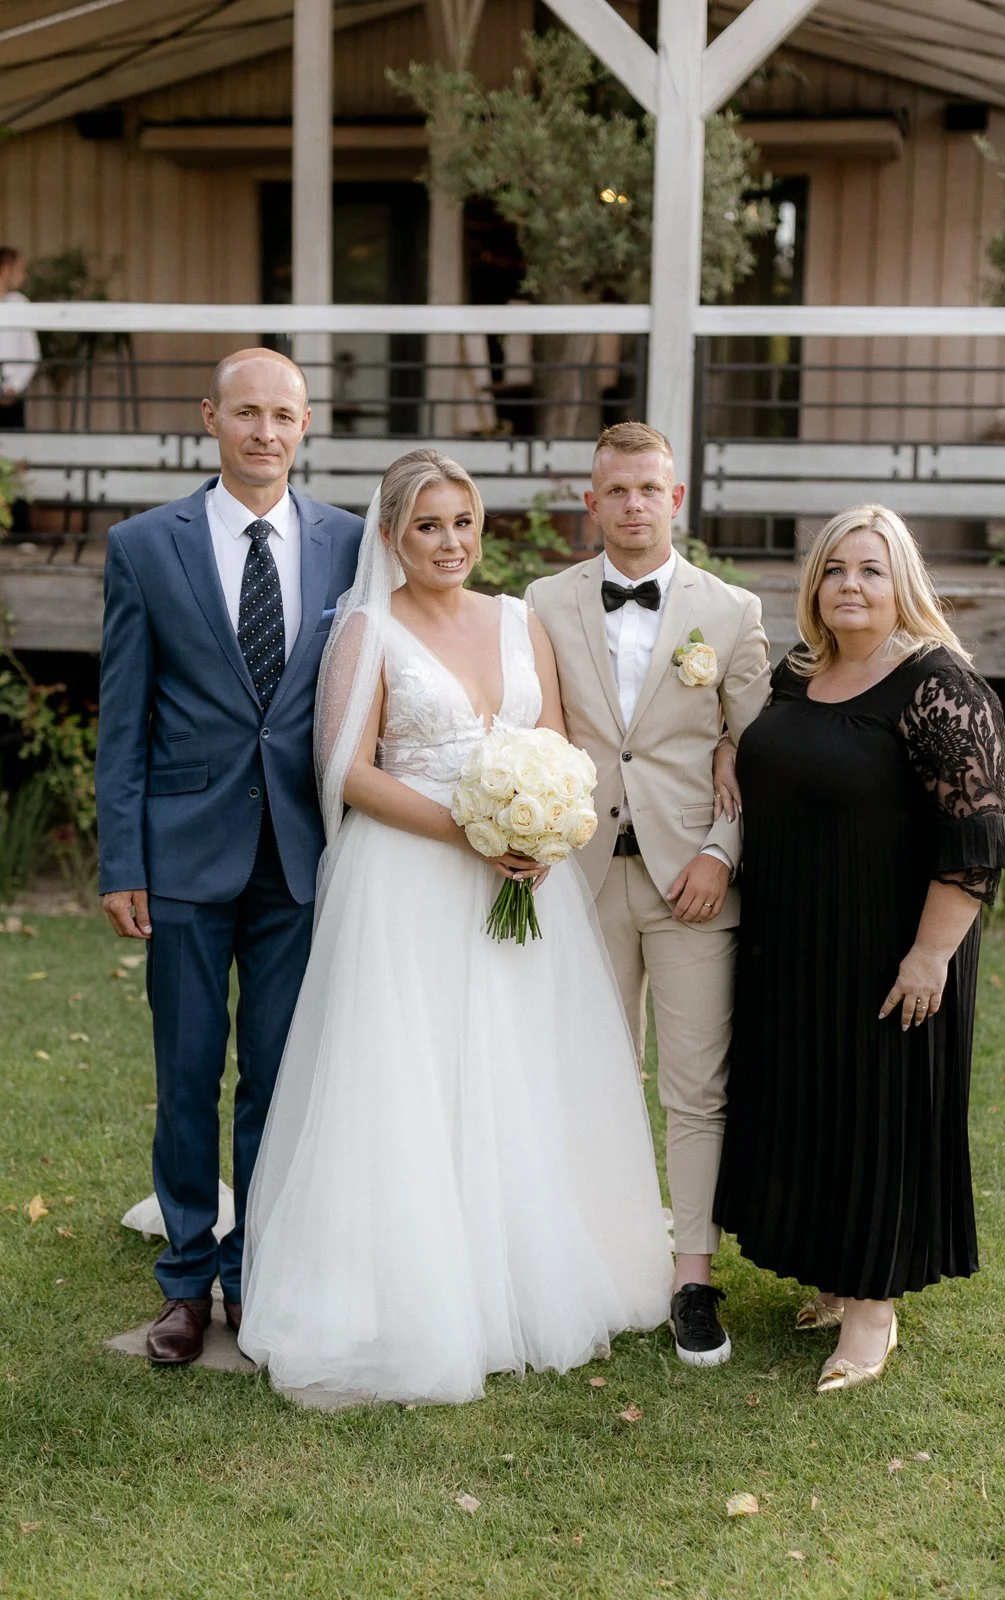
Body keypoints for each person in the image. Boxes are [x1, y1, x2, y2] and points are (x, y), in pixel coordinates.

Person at [239, 448, 672, 1407]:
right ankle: (417, 1288)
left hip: (523, 883)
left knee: (515, 1067)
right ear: (392, 536)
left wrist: (546, 828)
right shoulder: (366, 628)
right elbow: (345, 770)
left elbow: (556, 742)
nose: (449, 543)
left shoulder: (520, 620)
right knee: (415, 1074)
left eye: (463, 523)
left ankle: (522, 1271)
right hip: (407, 882)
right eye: (427, 526)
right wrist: (472, 831)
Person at [96, 348, 363, 1366]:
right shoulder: (143, 546)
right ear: (210, 417)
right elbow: (124, 715)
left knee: (277, 1078)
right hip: (181, 854)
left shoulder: (350, 542)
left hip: (301, 852)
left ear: (306, 425)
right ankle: (184, 1280)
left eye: (282, 416)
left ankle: (254, 1272)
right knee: (186, 1071)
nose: (264, 432)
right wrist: (122, 859)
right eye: (246, 412)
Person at [713, 504, 1005, 1392]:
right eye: (835, 570)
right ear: (814, 587)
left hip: (891, 946)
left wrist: (929, 956)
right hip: (793, 942)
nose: (850, 585)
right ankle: (833, 1276)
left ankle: (872, 1310)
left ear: (901, 584)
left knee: (879, 1115)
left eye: (870, 570)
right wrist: (731, 751)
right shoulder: (800, 671)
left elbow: (974, 838)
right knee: (811, 1107)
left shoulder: (938, 686)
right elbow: (778, 755)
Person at [526, 422, 771, 1368]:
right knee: (593, 1072)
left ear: (675, 500)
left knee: (695, 1087)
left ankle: (691, 1276)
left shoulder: (731, 611)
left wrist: (720, 852)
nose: (633, 505)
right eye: (615, 490)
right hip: (577, 875)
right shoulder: (544, 602)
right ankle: (598, 1256)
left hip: (689, 883)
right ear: (590, 502)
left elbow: (758, 750)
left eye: (648, 490)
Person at [0, 247, 40, 430]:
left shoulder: (19, 303)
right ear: (6, 269)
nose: (24, 276)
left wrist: (14, 387)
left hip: (11, 395)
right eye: (20, 269)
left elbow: (31, 353)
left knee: (14, 443)